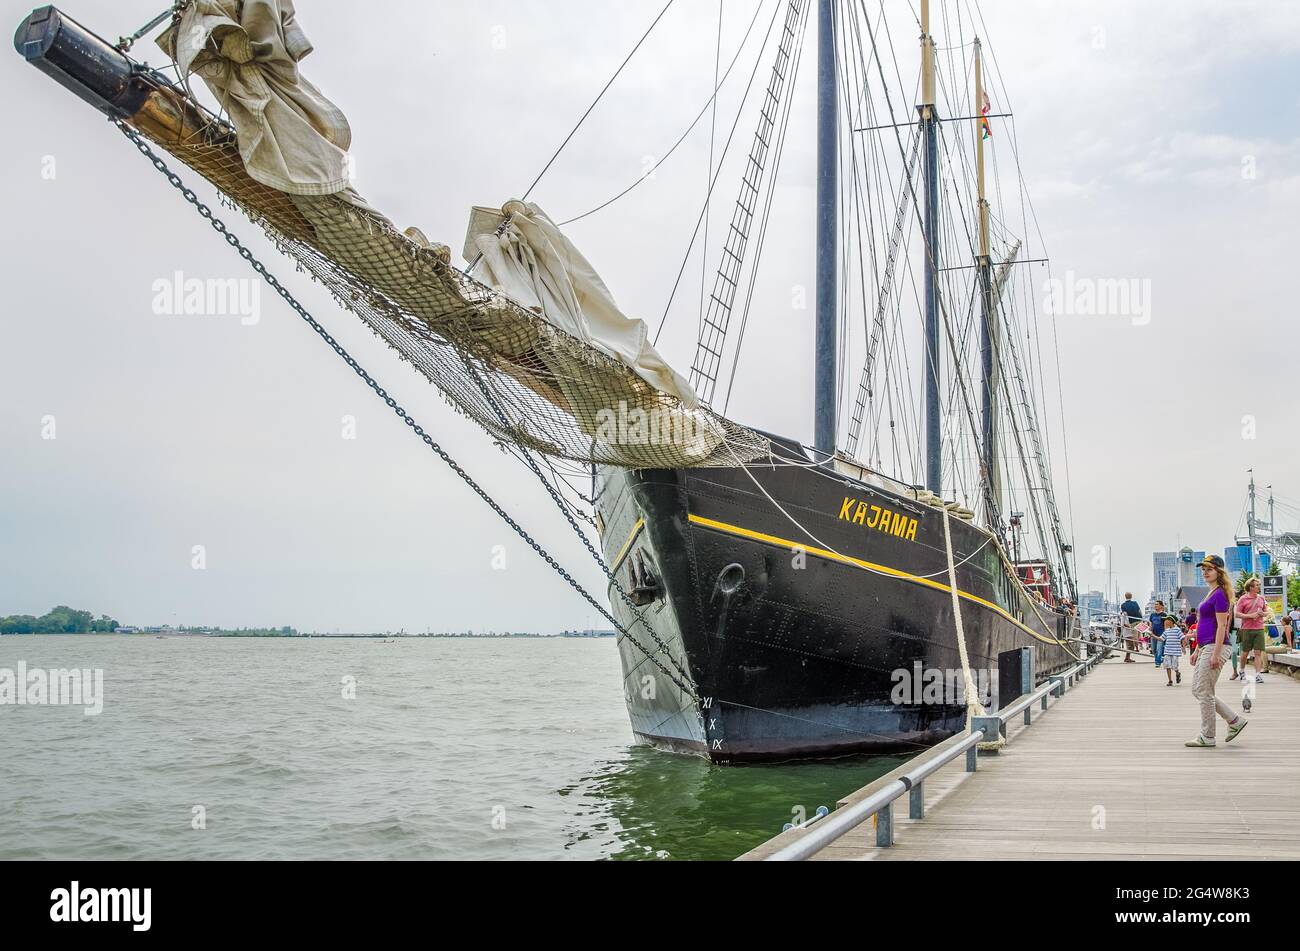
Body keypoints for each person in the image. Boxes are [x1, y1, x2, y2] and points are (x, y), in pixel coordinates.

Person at [1186, 555, 1247, 748]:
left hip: (1216, 647)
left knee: (1204, 692)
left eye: (1209, 569)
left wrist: (1214, 654)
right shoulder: (1211, 593)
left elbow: (1222, 627)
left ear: (1218, 572)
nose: (1205, 572)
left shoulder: (1220, 594)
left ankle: (1208, 736)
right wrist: (1198, 649)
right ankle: (1234, 720)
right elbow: (1205, 624)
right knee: (1199, 690)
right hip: (1207, 646)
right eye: (1203, 569)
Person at [1235, 577, 1268, 683]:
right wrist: (1250, 616)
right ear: (1251, 587)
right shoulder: (1243, 599)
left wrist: (1263, 614)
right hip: (1247, 629)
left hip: (1259, 628)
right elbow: (1237, 614)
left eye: (1258, 584)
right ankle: (1242, 671)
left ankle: (1258, 674)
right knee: (1245, 653)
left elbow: (1266, 611)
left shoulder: (1261, 598)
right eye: (1257, 585)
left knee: (1258, 652)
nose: (1259, 586)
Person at [1157, 614, 1182, 686]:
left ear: (1171, 621)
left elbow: (1182, 638)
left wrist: (1183, 647)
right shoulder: (1167, 631)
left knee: (1174, 666)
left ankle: (1177, 672)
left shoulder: (1177, 630)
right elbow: (1161, 638)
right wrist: (1152, 635)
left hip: (1175, 651)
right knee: (1167, 665)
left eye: (1167, 620)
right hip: (1167, 651)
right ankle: (1170, 680)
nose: (1165, 621)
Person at [1120, 592, 1142, 663]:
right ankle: (1127, 657)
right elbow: (1139, 611)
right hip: (1135, 622)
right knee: (1131, 643)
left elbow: (1122, 622)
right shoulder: (1135, 603)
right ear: (1131, 596)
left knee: (1130, 644)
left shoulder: (1123, 605)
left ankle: (1127, 657)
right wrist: (1141, 619)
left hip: (1131, 624)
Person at [1149, 600, 1167, 668]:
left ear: (1161, 606)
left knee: (1159, 649)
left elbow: (1166, 625)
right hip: (1153, 634)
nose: (1155, 605)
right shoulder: (1152, 615)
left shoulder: (1164, 615)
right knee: (1153, 649)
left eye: (1157, 604)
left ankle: (1158, 662)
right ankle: (1159, 659)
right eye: (1155, 604)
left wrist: (1165, 634)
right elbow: (1151, 623)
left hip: (1161, 634)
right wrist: (1150, 631)